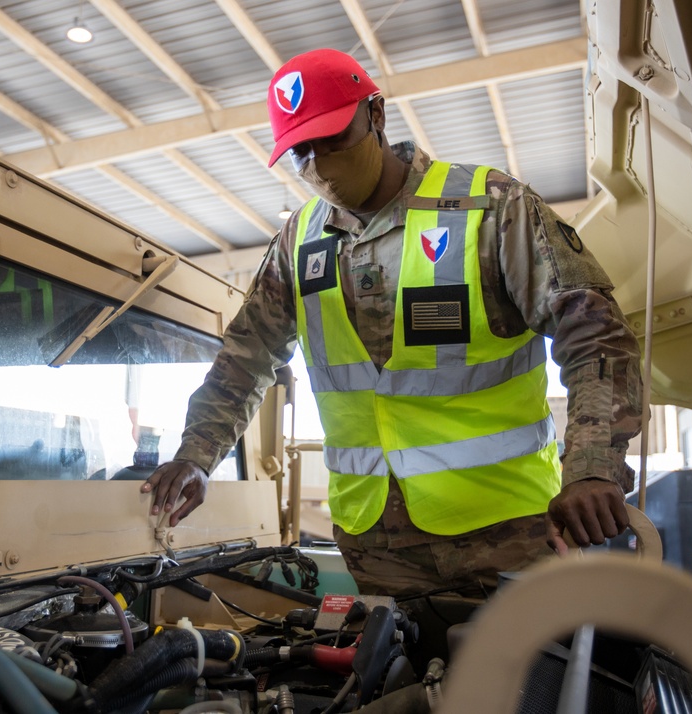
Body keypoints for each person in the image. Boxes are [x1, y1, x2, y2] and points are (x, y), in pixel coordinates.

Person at [142, 48, 643, 597]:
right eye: (300, 151)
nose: (320, 165)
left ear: (376, 115)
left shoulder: (490, 208)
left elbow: (596, 334)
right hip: (373, 543)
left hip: (507, 532)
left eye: (334, 138)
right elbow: (245, 357)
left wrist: (594, 465)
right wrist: (197, 456)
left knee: (523, 682)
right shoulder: (298, 241)